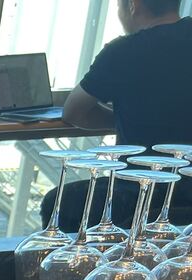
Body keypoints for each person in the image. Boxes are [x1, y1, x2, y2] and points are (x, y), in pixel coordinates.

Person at [45, 0, 192, 230]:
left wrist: (127, 118)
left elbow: (74, 112)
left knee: (58, 202)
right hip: (188, 195)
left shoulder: (122, 51)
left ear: (133, 5)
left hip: (137, 194)